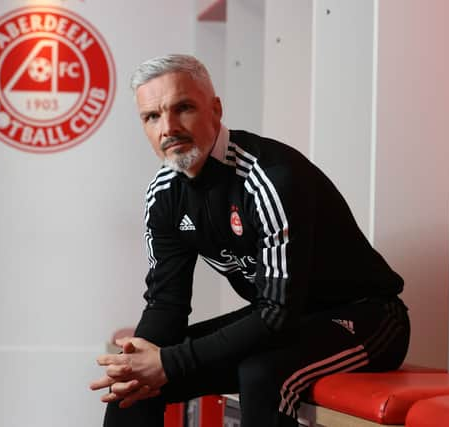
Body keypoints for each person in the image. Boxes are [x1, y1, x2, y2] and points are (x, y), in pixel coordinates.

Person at [90, 54, 410, 427]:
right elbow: (166, 303)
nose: (168, 128)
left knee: (261, 374)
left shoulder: (269, 177)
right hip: (284, 316)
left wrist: (169, 361)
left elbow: (277, 314)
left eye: (184, 108)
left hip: (365, 317)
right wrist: (139, 361)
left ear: (216, 109)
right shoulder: (164, 194)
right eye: (152, 117)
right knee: (131, 386)